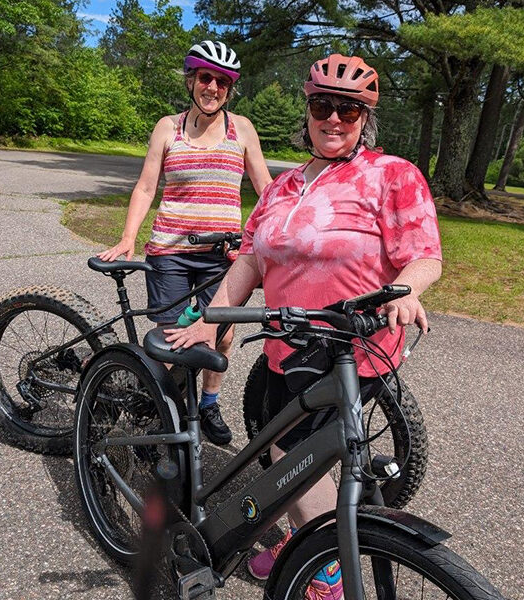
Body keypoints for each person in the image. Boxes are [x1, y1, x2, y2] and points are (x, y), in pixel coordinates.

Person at [164, 53, 443, 598]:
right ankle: (296, 539)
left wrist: (408, 290)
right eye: (323, 105)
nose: (333, 118)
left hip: (347, 349)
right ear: (309, 111)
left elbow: (424, 253)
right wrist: (208, 320)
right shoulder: (283, 186)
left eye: (348, 109)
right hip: (281, 345)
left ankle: (322, 569)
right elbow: (250, 259)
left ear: (365, 120)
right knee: (278, 446)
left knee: (302, 459)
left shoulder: (391, 175)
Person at [98, 40, 272, 446]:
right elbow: (145, 187)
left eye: (222, 82)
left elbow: (266, 190)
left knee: (221, 335)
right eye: (206, 78)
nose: (213, 87)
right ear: (192, 80)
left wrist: (280, 238)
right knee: (174, 338)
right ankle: (168, 412)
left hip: (222, 254)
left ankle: (208, 402)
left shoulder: (241, 129)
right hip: (171, 251)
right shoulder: (167, 127)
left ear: (230, 88)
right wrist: (128, 238)